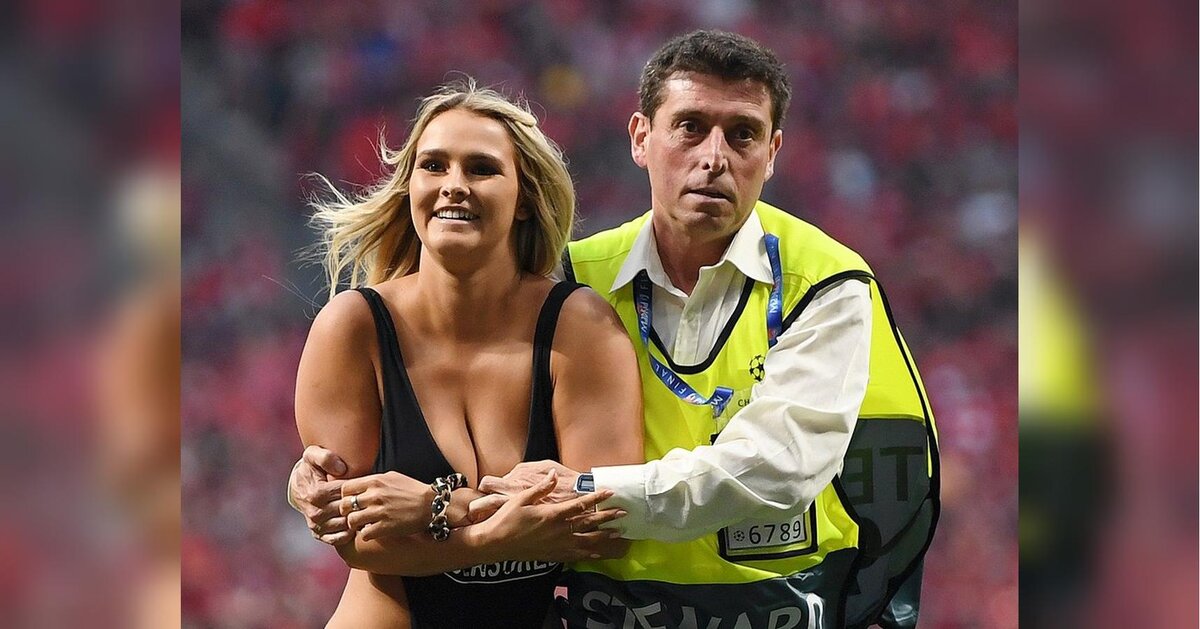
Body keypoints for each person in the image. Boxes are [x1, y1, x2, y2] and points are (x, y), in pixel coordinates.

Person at [293, 31, 939, 628]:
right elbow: (355, 528)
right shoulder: (582, 277)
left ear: (771, 153)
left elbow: (776, 469)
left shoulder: (823, 282)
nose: (713, 158)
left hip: (780, 605)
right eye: (690, 127)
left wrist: (449, 507)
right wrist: (318, 488)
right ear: (641, 137)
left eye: (742, 134)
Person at [293, 80, 644, 628]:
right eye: (433, 166)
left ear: (524, 199)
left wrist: (429, 509)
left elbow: (605, 526)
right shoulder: (351, 327)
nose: (454, 185)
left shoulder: (580, 325)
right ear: (410, 188)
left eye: (481, 169)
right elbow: (358, 541)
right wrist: (494, 533)